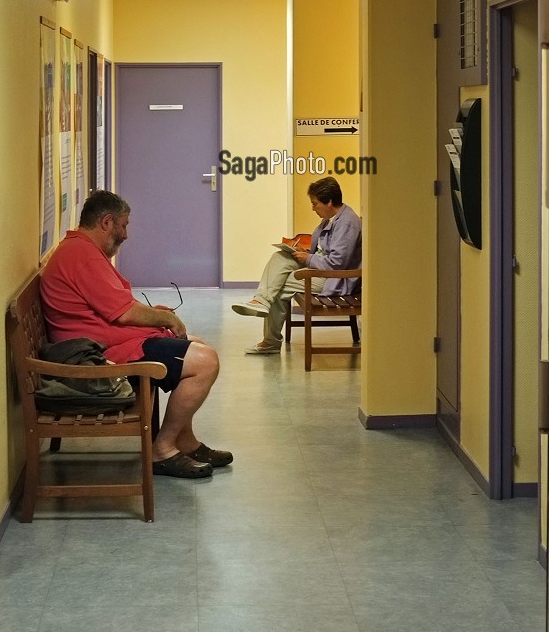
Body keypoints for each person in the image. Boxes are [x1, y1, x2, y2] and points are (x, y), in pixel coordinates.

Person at [40, 190, 231, 479]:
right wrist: (164, 317)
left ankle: (185, 441)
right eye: (123, 225)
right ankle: (162, 450)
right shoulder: (83, 256)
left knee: (196, 347)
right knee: (205, 361)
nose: (126, 234)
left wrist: (153, 313)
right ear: (106, 222)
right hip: (99, 358)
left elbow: (115, 304)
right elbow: (123, 313)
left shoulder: (80, 249)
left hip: (106, 343)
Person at [231, 176, 362, 355]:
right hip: (321, 270)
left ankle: (271, 340)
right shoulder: (332, 218)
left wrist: (307, 258)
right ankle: (261, 301)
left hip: (334, 279)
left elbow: (336, 264)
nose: (313, 208)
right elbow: (324, 251)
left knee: (280, 285)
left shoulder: (347, 222)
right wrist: (304, 252)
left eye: (315, 203)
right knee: (280, 257)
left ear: (329, 201)